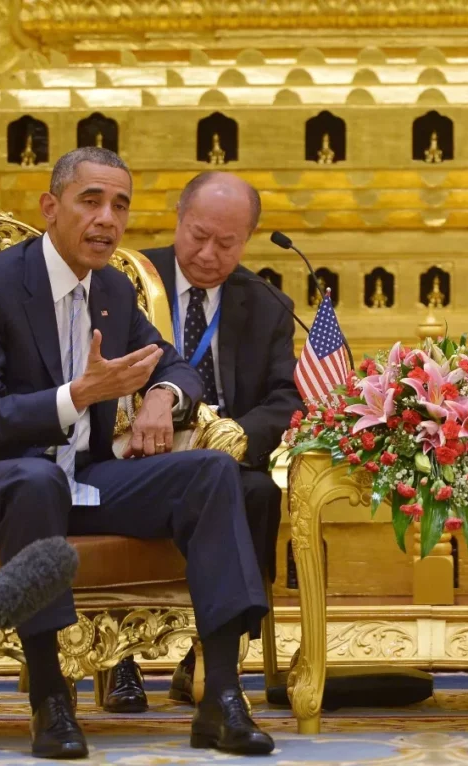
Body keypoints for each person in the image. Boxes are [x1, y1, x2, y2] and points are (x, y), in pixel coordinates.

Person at [0, 147, 275, 758]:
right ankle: (51, 700)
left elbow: (173, 365)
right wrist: (76, 396)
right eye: (90, 201)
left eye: (120, 205)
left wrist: (162, 397)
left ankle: (221, 696)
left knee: (212, 472)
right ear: (50, 206)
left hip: (81, 480)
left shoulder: (112, 288)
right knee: (35, 480)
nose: (107, 219)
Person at [101, 171, 302, 711]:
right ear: (179, 219)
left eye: (227, 243)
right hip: (134, 450)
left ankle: (211, 652)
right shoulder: (124, 281)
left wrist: (231, 439)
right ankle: (117, 657)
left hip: (222, 455)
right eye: (198, 236)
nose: (209, 254)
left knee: (256, 492)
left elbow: (287, 397)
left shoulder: (267, 304)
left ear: (248, 239)